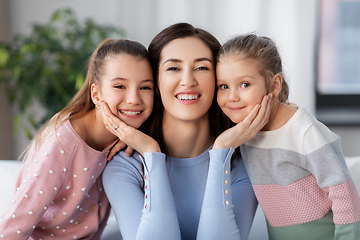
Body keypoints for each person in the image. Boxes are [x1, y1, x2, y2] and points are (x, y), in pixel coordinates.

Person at [101, 23, 272, 240]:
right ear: (155, 81)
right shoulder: (124, 166)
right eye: (173, 68)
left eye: (202, 68)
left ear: (218, 80)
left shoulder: (242, 162)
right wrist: (151, 154)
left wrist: (221, 152)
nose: (188, 81)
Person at [0, 39, 154, 239]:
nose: (134, 99)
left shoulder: (130, 133)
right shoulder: (62, 144)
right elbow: (14, 227)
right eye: (119, 86)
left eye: (145, 87)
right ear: (96, 95)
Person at [216, 33, 360, 240]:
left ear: (275, 85)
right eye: (224, 86)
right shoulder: (243, 132)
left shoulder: (304, 132)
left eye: (245, 84)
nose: (232, 97)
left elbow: (345, 196)